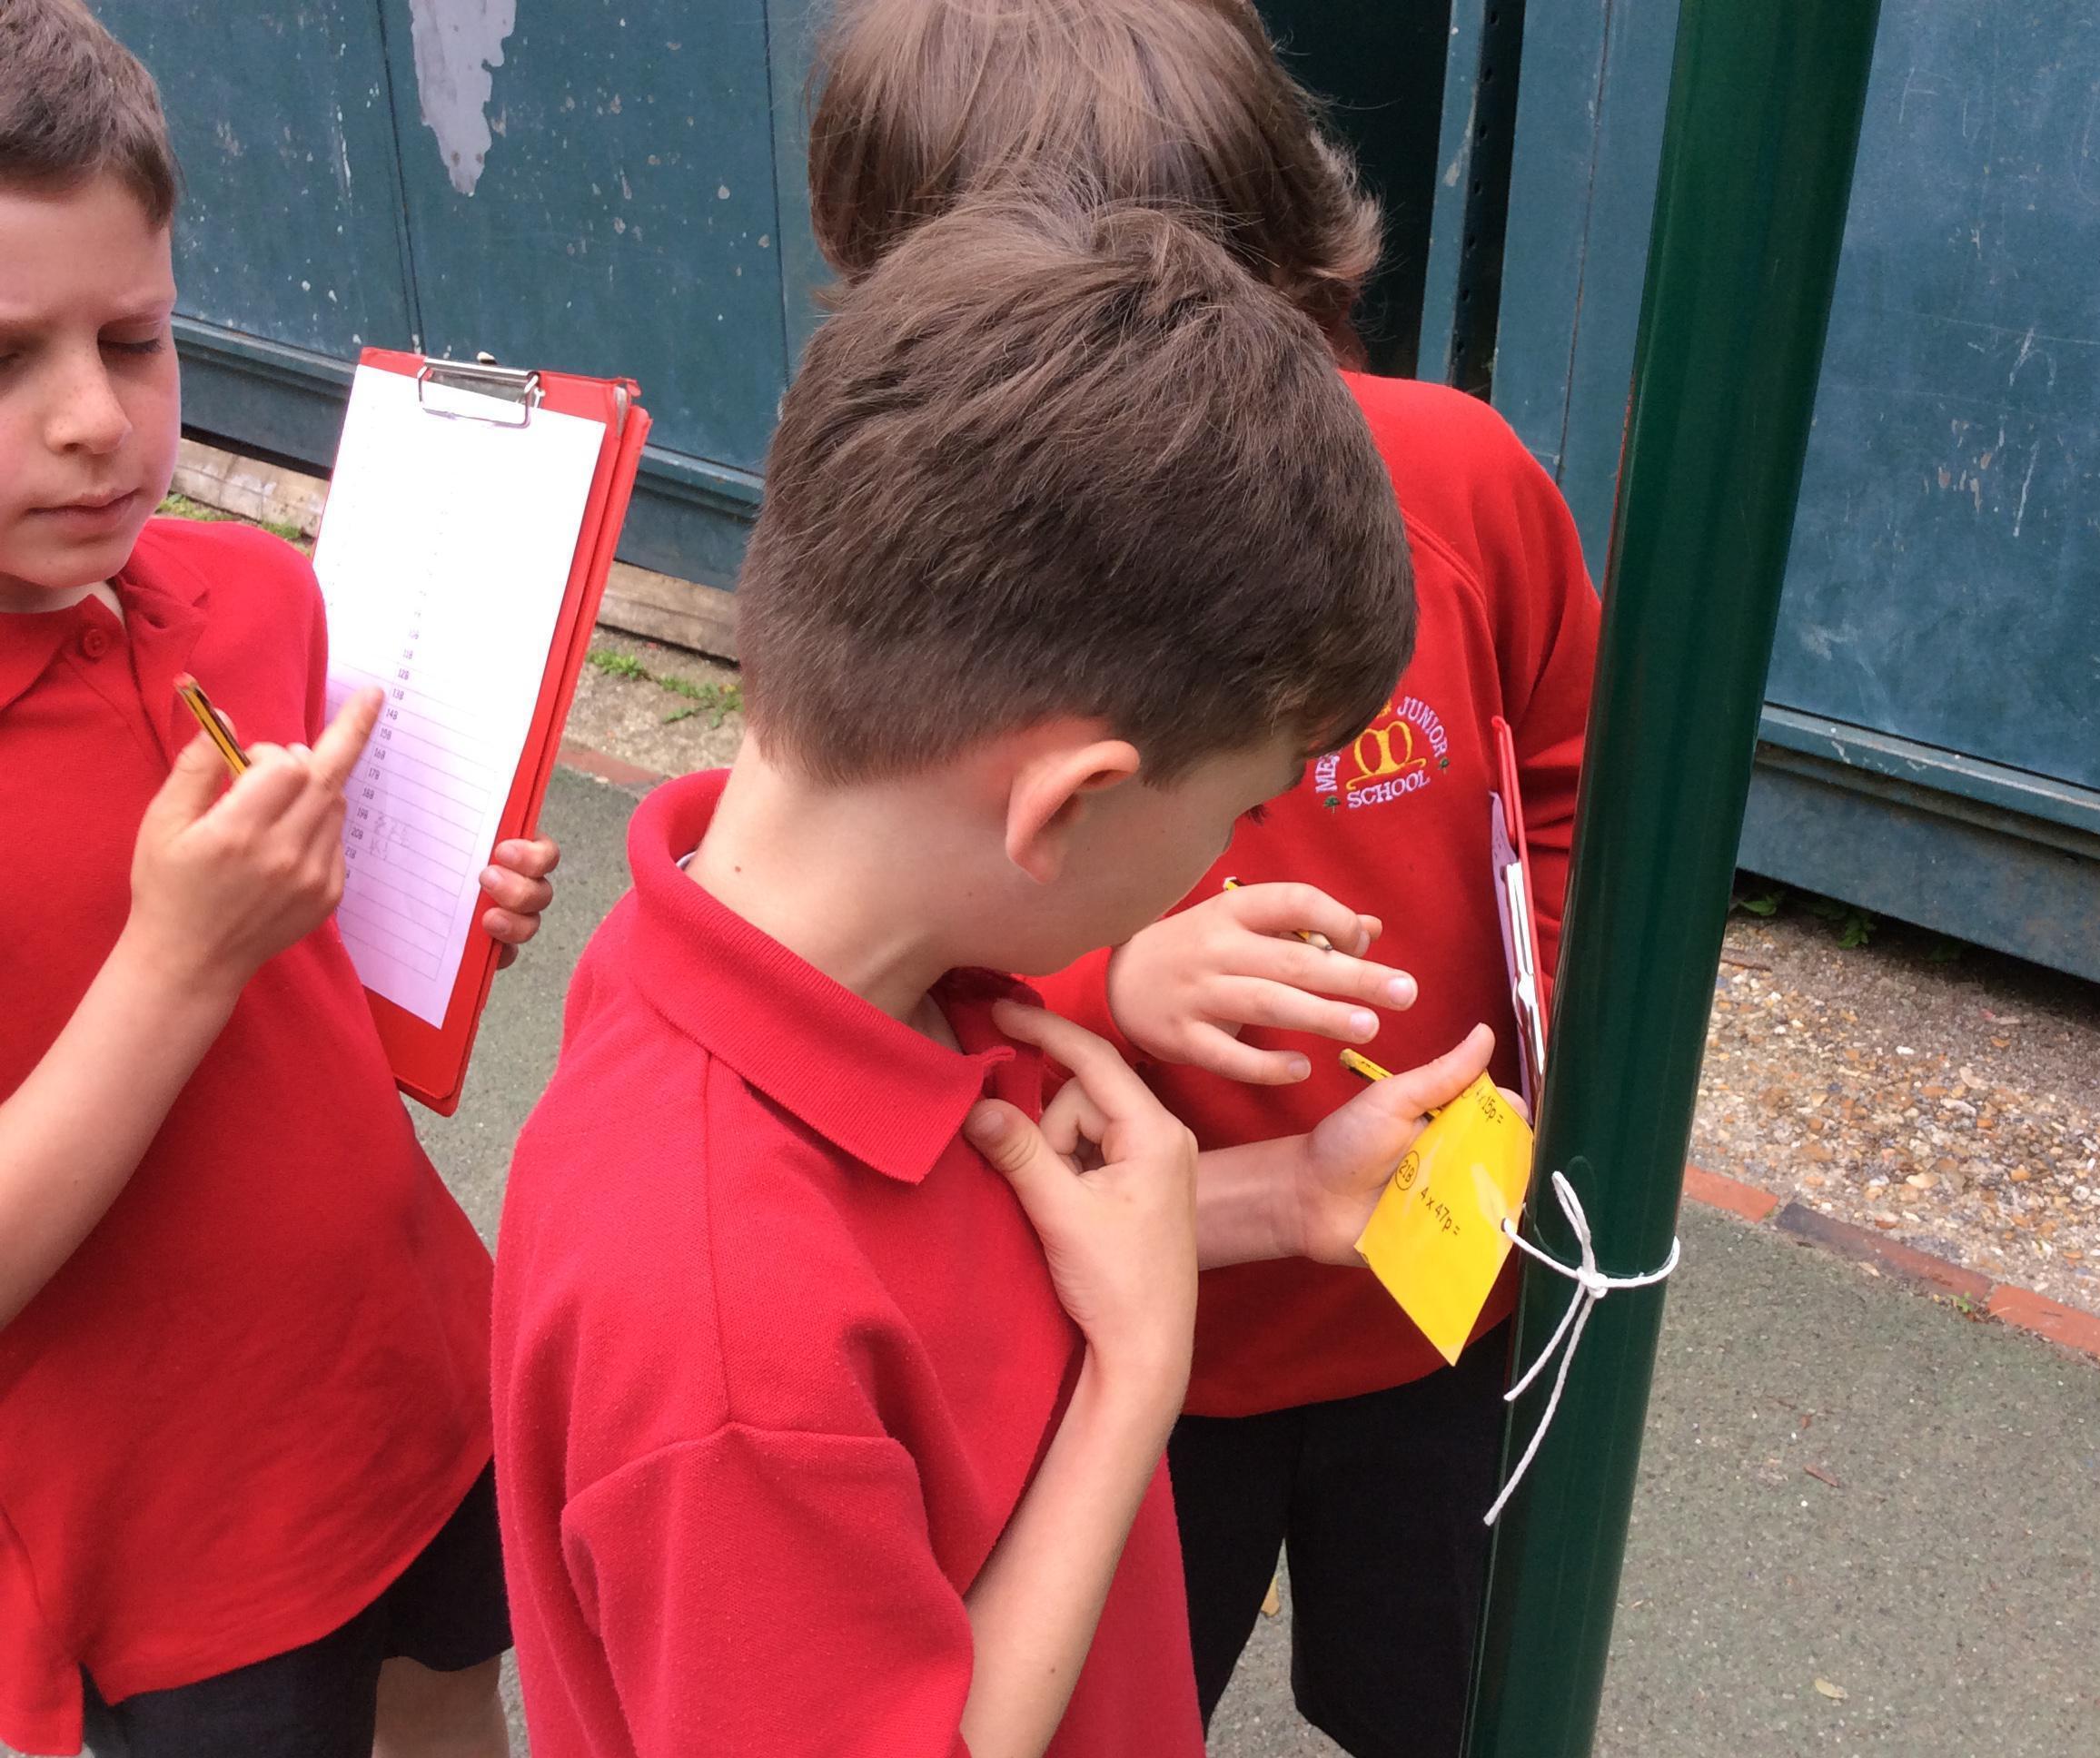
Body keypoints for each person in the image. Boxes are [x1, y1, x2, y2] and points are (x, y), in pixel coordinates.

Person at [489, 192, 1501, 1758]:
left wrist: (1285, 1198)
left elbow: (967, 1270)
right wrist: (1133, 1385)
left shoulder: (810, 947)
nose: (1233, 852)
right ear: (1067, 807)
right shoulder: (721, 1334)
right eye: (1240, 811)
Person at [808, 5, 1604, 1752]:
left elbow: (1566, 784)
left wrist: (1550, 1063)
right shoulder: (917, 612)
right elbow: (865, 963)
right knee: (1106, 1704)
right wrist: (1109, 987)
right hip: (1110, 1339)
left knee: (1436, 1702)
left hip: (1447, 1289)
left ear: (1303, 280)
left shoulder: (1457, 480)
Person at [0, 4, 559, 1753]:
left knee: (458, 1698)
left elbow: (307, 979)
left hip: (411, 1368)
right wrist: (181, 955)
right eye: (1, 361)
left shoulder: (254, 598)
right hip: (180, 1531)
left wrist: (429, 925)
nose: (91, 421)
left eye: (135, 338)